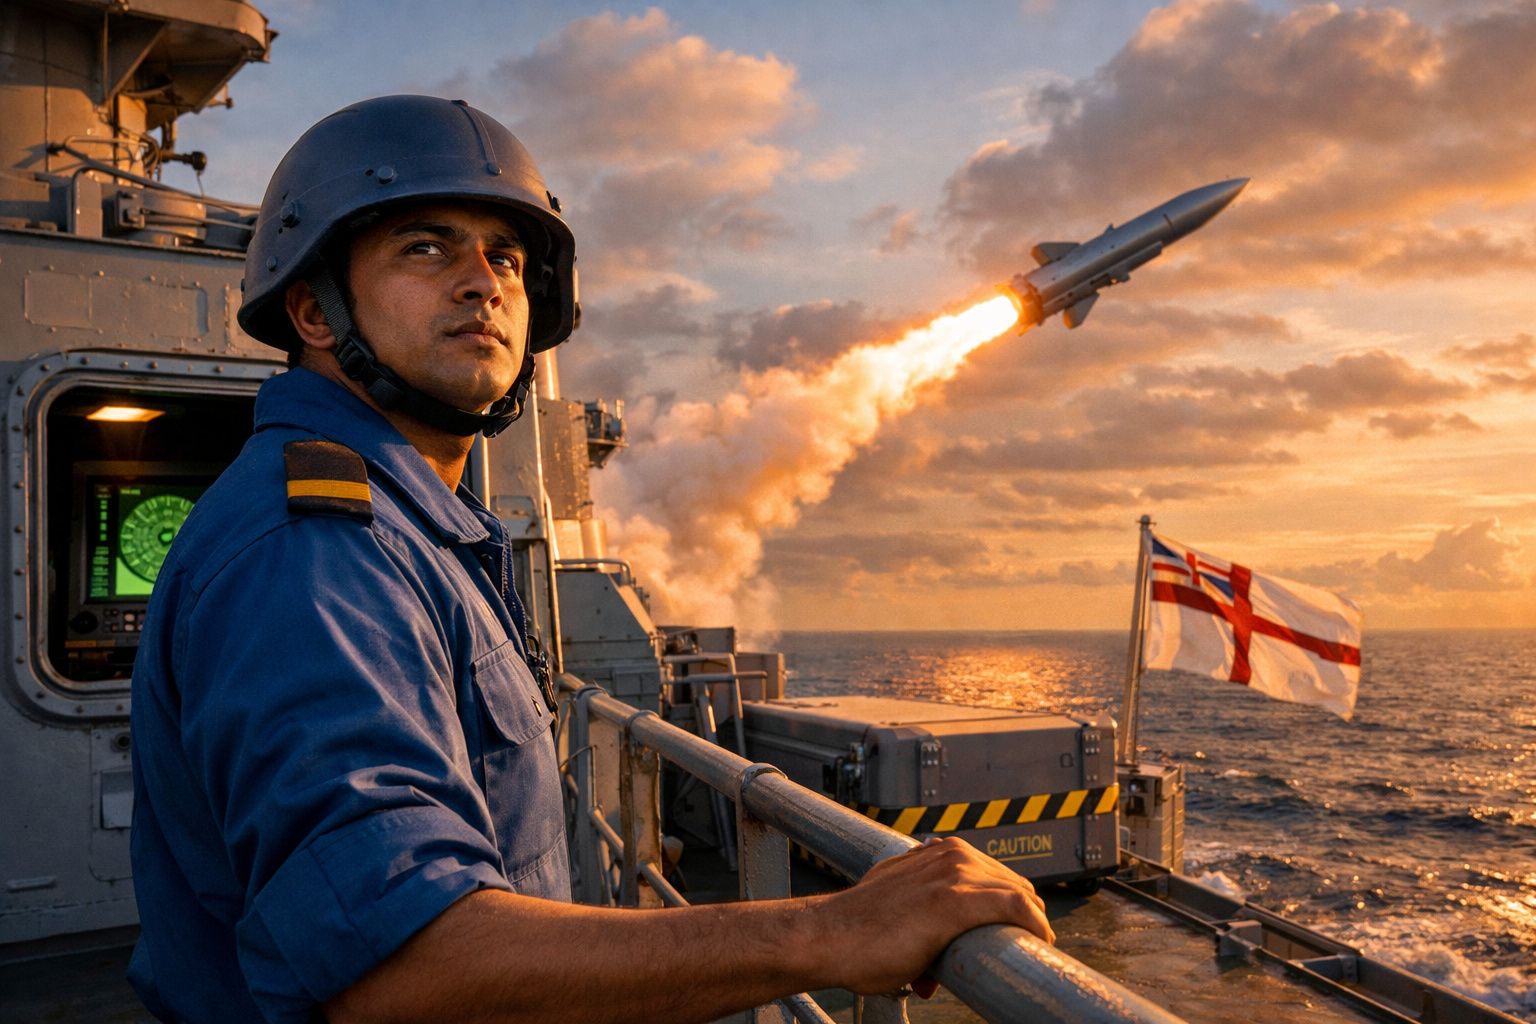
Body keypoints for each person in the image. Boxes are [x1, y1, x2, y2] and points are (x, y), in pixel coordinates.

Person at [129, 95, 1054, 1024]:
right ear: (313, 311)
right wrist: (830, 933)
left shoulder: (415, 530)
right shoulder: (314, 556)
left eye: (508, 259)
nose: (482, 282)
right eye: (426, 247)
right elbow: (402, 965)